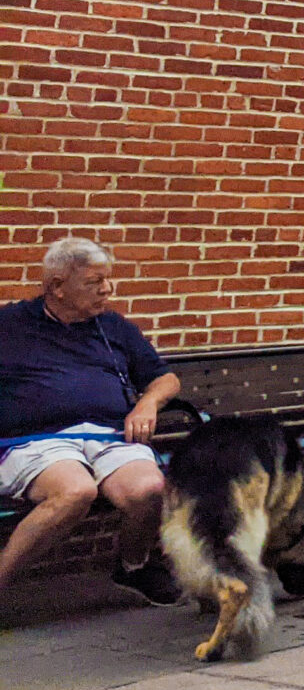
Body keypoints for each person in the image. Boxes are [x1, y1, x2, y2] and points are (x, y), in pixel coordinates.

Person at [0, 239, 183, 603]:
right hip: (36, 440)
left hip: (109, 436)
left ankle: (133, 567)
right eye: (94, 282)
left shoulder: (114, 327)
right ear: (57, 287)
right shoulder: (9, 325)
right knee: (76, 491)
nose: (107, 290)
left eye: (108, 280)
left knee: (150, 490)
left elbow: (166, 379)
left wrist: (147, 404)